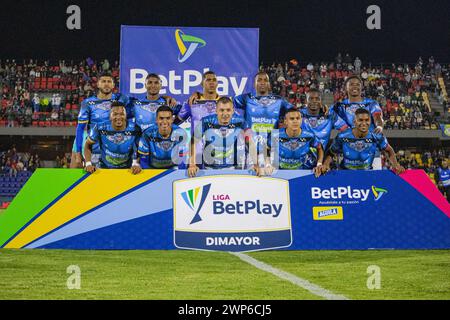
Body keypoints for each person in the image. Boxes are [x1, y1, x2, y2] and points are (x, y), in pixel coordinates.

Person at [71, 72, 131, 168]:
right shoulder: (87, 103)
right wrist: (78, 151)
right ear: (98, 84)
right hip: (94, 150)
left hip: (115, 151)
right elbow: (80, 128)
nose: (106, 84)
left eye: (109, 81)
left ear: (113, 85)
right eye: (103, 81)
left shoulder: (122, 99)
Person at [322, 108, 405, 173]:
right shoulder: (342, 136)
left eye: (367, 120)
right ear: (354, 122)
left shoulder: (376, 136)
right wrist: (326, 164)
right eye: (360, 120)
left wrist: (395, 165)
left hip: (367, 174)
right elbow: (331, 152)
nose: (364, 123)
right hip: (345, 174)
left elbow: (389, 150)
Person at [188, 97, 253, 177]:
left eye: (228, 110)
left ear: (233, 111)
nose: (225, 114)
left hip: (233, 169)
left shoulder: (240, 121)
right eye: (221, 110)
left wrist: (255, 164)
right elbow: (193, 141)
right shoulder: (205, 121)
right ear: (216, 110)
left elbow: (250, 142)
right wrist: (192, 164)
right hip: (210, 169)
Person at [175, 71, 221, 166]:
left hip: (218, 153)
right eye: (208, 80)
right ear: (202, 83)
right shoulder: (192, 102)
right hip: (196, 155)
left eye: (214, 80)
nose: (211, 82)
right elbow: (177, 121)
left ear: (217, 83)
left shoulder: (224, 103)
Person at [84, 101, 141, 174]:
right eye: (115, 114)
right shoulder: (99, 127)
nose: (118, 117)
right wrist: (88, 164)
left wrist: (136, 164)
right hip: (104, 169)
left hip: (127, 170)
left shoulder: (135, 129)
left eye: (122, 114)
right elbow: (88, 145)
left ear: (126, 115)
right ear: (110, 116)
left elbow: (140, 149)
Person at [264, 109, 323, 176]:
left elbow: (319, 148)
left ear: (301, 120)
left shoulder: (310, 135)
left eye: (298, 118)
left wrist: (319, 164)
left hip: (303, 172)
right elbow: (266, 148)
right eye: (292, 119)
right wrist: (268, 164)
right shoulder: (275, 135)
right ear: (285, 121)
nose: (295, 121)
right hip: (280, 172)